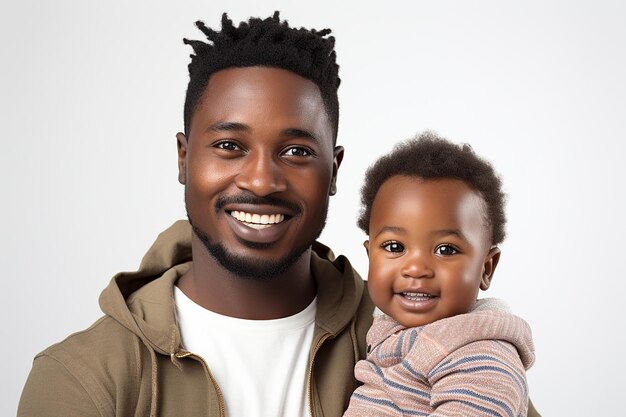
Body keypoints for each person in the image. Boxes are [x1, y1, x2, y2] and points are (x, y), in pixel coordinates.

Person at [17, 13, 541, 417]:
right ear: (183, 158)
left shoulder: (420, 332)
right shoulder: (84, 378)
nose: (262, 181)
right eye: (228, 144)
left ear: (334, 170)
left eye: (296, 151)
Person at [343, 132, 535, 416]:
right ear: (370, 256)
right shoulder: (385, 333)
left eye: (446, 250)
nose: (417, 268)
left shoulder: (481, 358)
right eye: (395, 247)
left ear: (486, 268)